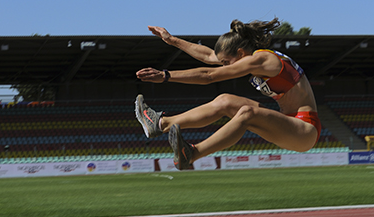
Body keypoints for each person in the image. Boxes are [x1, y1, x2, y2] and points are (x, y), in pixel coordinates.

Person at [135, 19, 321, 170]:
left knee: (248, 112)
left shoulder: (263, 59)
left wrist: (166, 76)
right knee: (225, 100)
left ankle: (192, 153)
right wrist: (172, 40)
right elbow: (208, 56)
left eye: (226, 62)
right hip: (285, 123)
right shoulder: (250, 57)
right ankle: (160, 124)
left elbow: (209, 75)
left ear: (240, 53)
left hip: (305, 129)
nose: (224, 66)